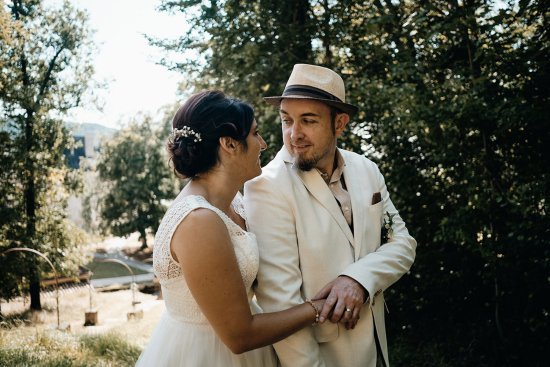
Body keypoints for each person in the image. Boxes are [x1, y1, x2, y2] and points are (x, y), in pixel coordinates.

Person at [243, 64, 417, 367]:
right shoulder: (266, 187)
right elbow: (280, 306)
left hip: (377, 349)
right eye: (287, 120)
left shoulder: (367, 170)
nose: (294, 134)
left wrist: (358, 280)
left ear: (340, 124)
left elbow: (403, 244)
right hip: (324, 357)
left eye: (308, 121)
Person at [136, 90, 326, 366]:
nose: (262, 144)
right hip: (205, 354)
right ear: (229, 144)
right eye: (254, 134)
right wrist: (316, 309)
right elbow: (239, 336)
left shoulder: (234, 201)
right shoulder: (198, 221)